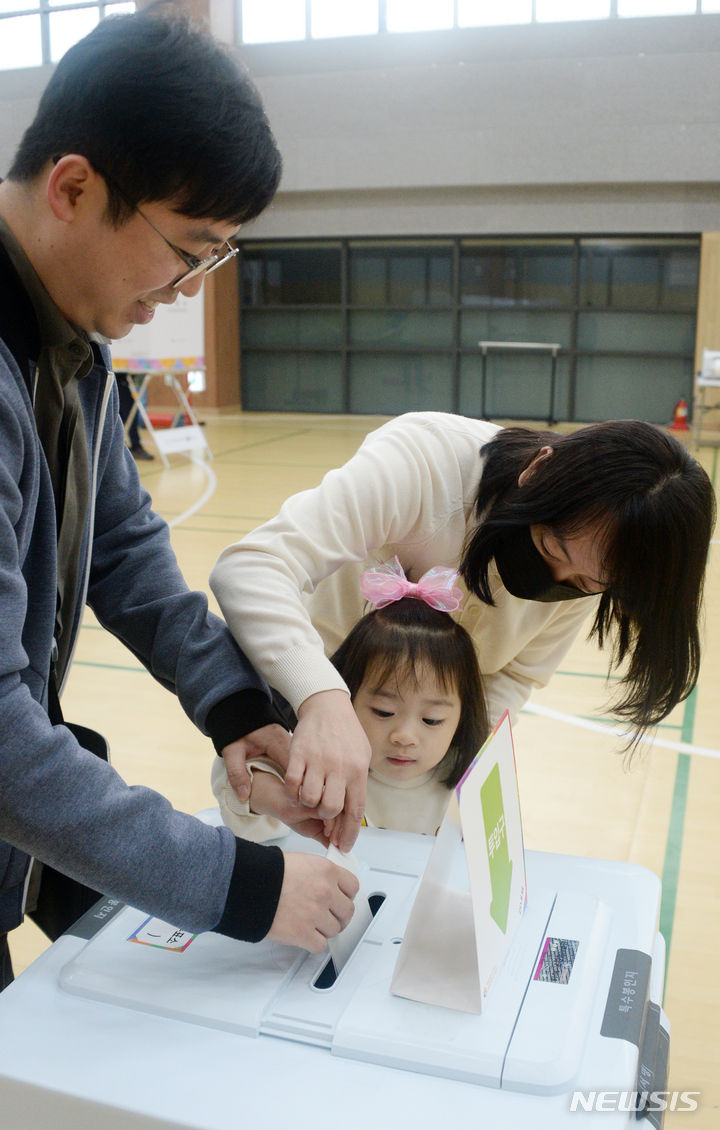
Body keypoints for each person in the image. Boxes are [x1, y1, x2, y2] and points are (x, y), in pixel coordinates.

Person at [0, 9, 358, 991]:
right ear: (73, 186)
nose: (191, 288)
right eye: (188, 248)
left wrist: (236, 705)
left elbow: (118, 544)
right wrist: (239, 884)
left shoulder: (68, 333)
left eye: (216, 258)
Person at [210, 411, 716, 845]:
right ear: (538, 469)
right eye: (550, 550)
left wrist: (460, 770)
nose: (560, 580)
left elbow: (514, 676)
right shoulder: (422, 464)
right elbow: (251, 567)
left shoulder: (594, 561)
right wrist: (319, 698)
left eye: (586, 581)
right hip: (306, 692)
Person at [211, 558, 489, 842]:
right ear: (346, 697)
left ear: (463, 717)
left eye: (431, 720)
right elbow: (246, 811)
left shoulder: (473, 786)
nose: (404, 737)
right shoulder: (318, 767)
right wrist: (268, 793)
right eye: (383, 712)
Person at [115, 369, 154, 461]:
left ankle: (132, 446)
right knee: (128, 413)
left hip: (123, 379)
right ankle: (135, 446)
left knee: (127, 414)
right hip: (116, 379)